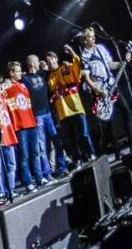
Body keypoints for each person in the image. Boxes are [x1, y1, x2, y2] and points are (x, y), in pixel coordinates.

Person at [79, 27, 132, 159]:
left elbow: (110, 64)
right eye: (90, 37)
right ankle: (117, 150)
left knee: (126, 112)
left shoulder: (101, 48)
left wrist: (122, 62)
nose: (94, 38)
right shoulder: (84, 56)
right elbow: (86, 78)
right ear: (85, 41)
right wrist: (98, 91)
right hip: (101, 92)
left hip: (112, 85)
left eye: (93, 36)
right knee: (109, 122)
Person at [45, 46, 96, 165]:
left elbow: (77, 65)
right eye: (48, 62)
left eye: (51, 60)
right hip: (62, 112)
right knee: (71, 138)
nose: (50, 63)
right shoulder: (49, 77)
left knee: (84, 134)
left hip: (75, 107)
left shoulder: (65, 68)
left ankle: (91, 153)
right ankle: (77, 159)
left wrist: (72, 52)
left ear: (56, 58)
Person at [23, 54, 68, 178]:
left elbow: (54, 70)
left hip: (49, 113)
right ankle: (47, 173)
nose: (39, 63)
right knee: (43, 146)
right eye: (37, 61)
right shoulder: (25, 78)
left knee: (57, 142)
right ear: (32, 63)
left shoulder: (43, 74)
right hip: (37, 116)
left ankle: (62, 167)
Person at [6, 61, 46, 192]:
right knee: (24, 156)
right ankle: (27, 182)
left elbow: (28, 106)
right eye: (17, 71)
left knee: (36, 152)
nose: (20, 73)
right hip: (20, 127)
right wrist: (5, 83)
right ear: (11, 73)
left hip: (31, 124)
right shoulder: (7, 88)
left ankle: (39, 179)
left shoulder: (23, 86)